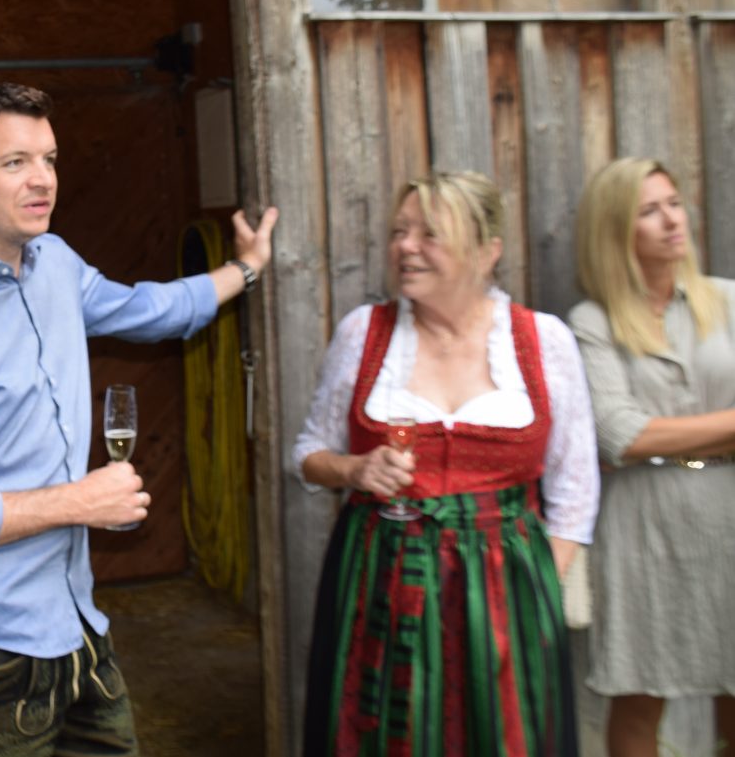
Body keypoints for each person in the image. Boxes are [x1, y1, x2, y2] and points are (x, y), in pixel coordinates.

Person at [0, 81, 277, 757]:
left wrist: (246, 267)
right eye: (14, 162)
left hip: (75, 625)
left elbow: (151, 309)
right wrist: (76, 503)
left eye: (49, 159)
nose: (43, 179)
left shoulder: (54, 263)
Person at [294, 170, 598, 756]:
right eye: (399, 231)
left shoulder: (544, 341)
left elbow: (575, 491)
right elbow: (308, 453)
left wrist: (533, 585)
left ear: (487, 251)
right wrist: (354, 471)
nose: (406, 247)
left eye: (429, 233)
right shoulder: (364, 334)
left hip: (507, 590)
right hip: (381, 584)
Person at [569, 157, 735, 757]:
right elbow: (620, 435)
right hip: (642, 523)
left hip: (728, 513)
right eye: (649, 211)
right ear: (616, 230)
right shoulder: (593, 321)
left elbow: (641, 436)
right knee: (638, 691)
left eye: (673, 203)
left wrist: (660, 436)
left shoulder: (728, 300)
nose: (672, 220)